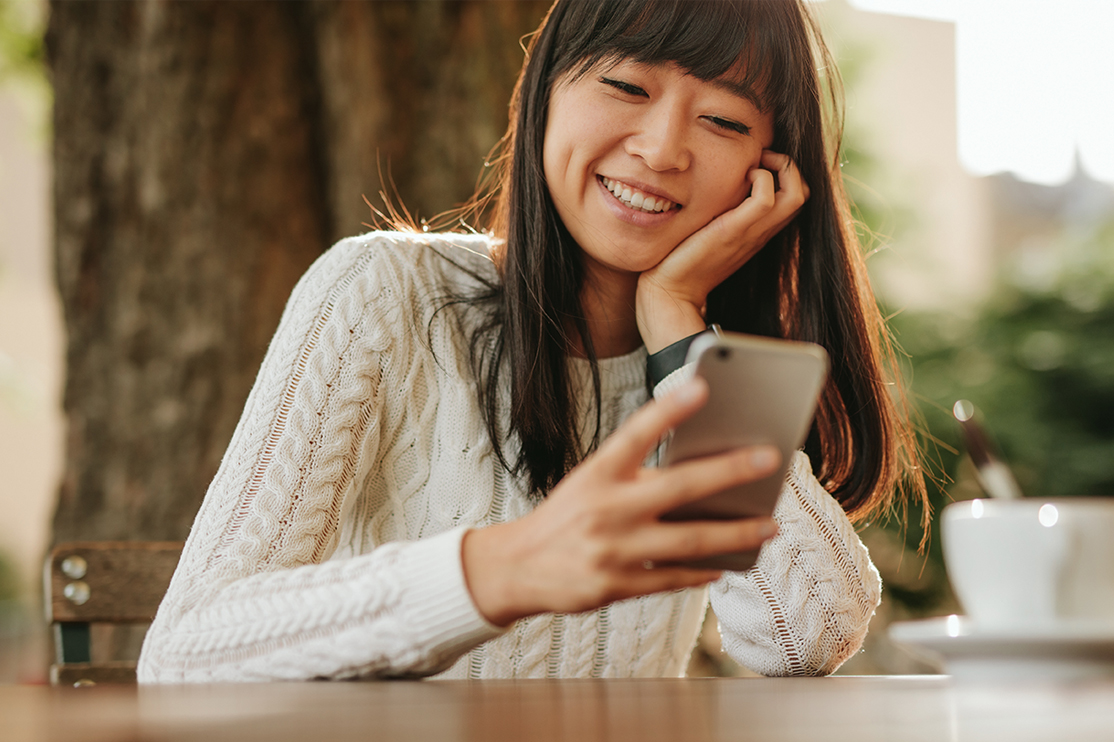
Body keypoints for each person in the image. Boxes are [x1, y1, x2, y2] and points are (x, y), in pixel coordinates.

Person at [138, 0, 924, 682]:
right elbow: (184, 652)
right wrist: (498, 573)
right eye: (626, 85)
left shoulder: (713, 377)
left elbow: (810, 636)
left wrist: (679, 332)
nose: (662, 149)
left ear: (767, 171)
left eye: (723, 119)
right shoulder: (382, 295)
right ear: (545, 91)